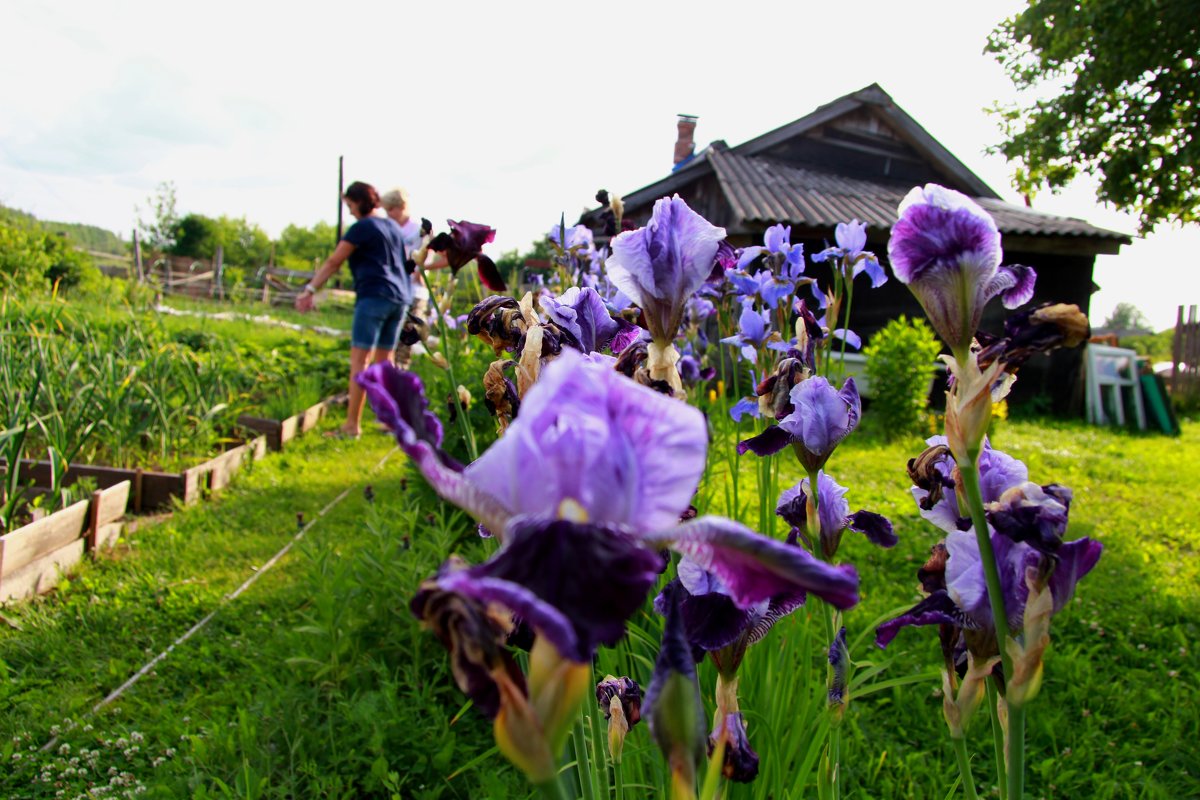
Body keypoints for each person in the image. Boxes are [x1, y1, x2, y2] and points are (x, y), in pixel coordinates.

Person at [296, 181, 411, 438]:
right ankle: (393, 423)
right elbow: (405, 262)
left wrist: (310, 290)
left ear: (358, 202)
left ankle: (351, 426)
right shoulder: (392, 227)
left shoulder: (361, 228)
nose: (348, 211)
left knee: (360, 361)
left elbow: (334, 261)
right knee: (385, 361)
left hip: (374, 296)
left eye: (349, 205)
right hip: (399, 298)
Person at [379, 187, 445, 367]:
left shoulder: (419, 230)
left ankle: (399, 375)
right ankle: (386, 374)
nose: (388, 214)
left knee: (409, 332)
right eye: (386, 210)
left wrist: (422, 269)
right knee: (387, 335)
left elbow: (441, 255)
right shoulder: (386, 229)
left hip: (415, 290)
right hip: (391, 290)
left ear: (402, 207)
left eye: (391, 209)